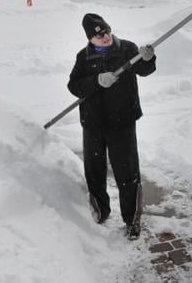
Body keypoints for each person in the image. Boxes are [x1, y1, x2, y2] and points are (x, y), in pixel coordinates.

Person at [67, 13, 156, 240]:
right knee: (95, 171)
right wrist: (96, 81)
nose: (105, 37)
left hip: (122, 122)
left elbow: (144, 70)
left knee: (127, 172)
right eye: (98, 36)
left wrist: (147, 58)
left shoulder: (126, 49)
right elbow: (74, 86)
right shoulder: (83, 57)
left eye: (106, 31)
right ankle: (99, 211)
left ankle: (132, 220)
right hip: (93, 123)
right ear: (90, 39)